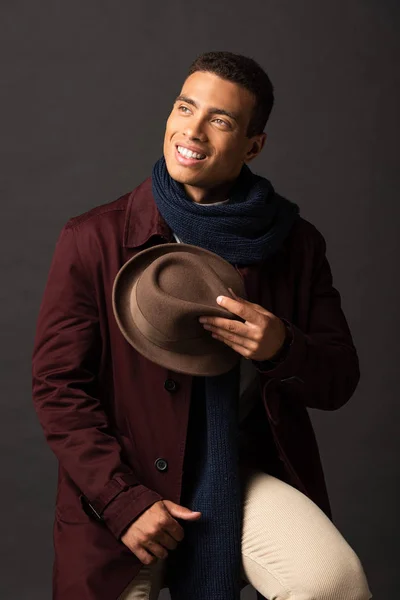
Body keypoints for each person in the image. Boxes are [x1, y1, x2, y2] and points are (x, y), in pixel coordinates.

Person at [32, 51, 373, 600]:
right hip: (125, 477)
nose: (192, 130)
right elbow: (58, 388)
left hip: (237, 472)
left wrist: (281, 347)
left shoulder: (295, 244)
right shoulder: (93, 238)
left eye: (221, 120)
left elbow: (339, 378)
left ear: (253, 145)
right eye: (184, 107)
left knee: (333, 583)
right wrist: (122, 500)